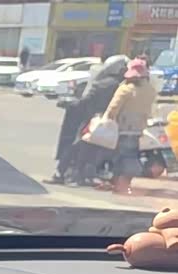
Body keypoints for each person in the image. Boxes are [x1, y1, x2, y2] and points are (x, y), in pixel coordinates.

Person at [45, 55, 127, 186]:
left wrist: (69, 104)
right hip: (111, 122)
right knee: (93, 150)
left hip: (93, 121)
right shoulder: (122, 85)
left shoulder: (103, 84)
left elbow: (86, 101)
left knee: (76, 147)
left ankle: (63, 174)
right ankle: (82, 175)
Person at [100, 57, 158, 195]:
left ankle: (118, 183)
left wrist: (106, 121)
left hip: (122, 128)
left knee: (120, 157)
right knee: (131, 154)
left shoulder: (125, 89)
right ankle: (124, 182)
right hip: (139, 128)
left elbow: (112, 109)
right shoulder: (150, 90)